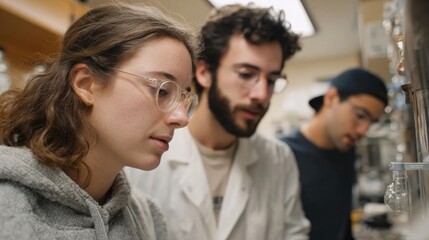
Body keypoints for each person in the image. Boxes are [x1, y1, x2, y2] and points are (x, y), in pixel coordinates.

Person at [0, 4, 200, 240]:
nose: (180, 119)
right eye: (163, 90)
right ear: (86, 84)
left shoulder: (148, 218)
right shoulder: (9, 203)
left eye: (184, 98)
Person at [126, 4, 310, 240]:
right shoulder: (142, 158)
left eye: (272, 80)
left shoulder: (278, 159)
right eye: (246, 74)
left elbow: (294, 234)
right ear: (204, 73)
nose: (262, 94)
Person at [280, 68, 388, 240]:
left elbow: (341, 222)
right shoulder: (283, 154)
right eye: (360, 115)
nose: (363, 130)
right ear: (331, 98)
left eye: (371, 122)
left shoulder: (346, 150)